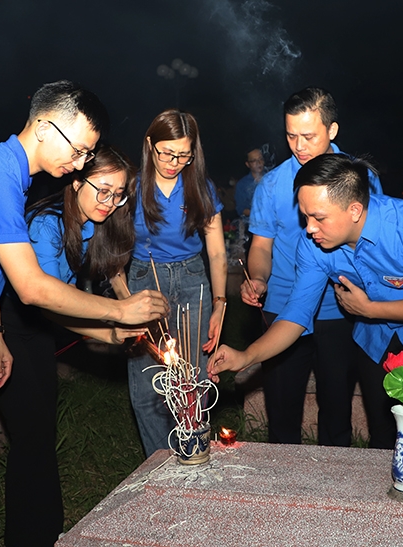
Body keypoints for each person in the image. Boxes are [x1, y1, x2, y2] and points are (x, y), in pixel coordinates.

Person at [0, 80, 168, 547]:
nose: (79, 163)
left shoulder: (12, 176)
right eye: (79, 150)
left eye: (87, 154)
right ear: (43, 125)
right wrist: (120, 311)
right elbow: (34, 287)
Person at [211, 154, 403, 452]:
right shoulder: (314, 246)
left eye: (319, 217)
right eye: (304, 217)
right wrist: (246, 357)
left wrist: (369, 309)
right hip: (376, 339)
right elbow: (297, 314)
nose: (309, 229)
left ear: (354, 210)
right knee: (383, 436)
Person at [0, 146, 145, 546]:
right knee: (31, 440)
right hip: (14, 331)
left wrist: (127, 302)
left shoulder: (91, 222)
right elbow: (47, 302)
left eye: (119, 194)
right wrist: (113, 325)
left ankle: (46, 530)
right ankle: (30, 536)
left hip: (39, 335)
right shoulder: (46, 225)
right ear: (76, 182)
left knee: (39, 435)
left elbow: (109, 271)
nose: (110, 202)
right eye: (102, 190)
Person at [243, 87, 384, 447]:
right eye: (291, 135)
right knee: (282, 409)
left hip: (341, 310)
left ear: (332, 130)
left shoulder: (359, 178)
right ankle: (282, 489)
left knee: (337, 409)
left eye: (309, 136)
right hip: (283, 305)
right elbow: (261, 245)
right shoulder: (273, 184)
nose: (299, 145)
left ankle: (335, 491)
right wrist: (258, 279)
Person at [127, 108, 227, 457]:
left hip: (191, 278)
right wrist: (124, 301)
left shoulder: (201, 187)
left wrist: (220, 304)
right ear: (150, 144)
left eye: (184, 154)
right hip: (144, 277)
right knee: (146, 382)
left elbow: (216, 253)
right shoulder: (131, 186)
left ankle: (194, 453)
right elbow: (111, 250)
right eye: (167, 153)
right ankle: (159, 463)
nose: (174, 162)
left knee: (194, 380)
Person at [234, 148, 265, 221]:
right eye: (254, 161)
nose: (259, 163)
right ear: (248, 164)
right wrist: (259, 214)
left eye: (260, 159)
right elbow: (240, 209)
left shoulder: (271, 179)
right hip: (253, 224)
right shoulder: (242, 184)